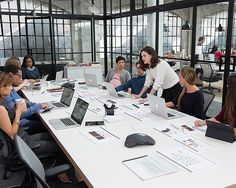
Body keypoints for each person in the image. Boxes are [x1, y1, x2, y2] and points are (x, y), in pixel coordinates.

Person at [0, 72, 71, 183]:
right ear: (1, 87)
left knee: (53, 138)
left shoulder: (2, 102)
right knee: (61, 147)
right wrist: (18, 113)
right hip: (23, 146)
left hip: (23, 139)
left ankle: (57, 168)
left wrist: (16, 110)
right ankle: (61, 175)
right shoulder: (1, 109)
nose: (12, 88)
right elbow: (12, 134)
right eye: (9, 85)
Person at [4, 64, 48, 134]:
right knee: (47, 124)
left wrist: (38, 105)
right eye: (19, 76)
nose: (21, 79)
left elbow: (23, 101)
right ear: (11, 75)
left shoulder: (10, 88)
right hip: (21, 125)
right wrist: (38, 106)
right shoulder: (5, 94)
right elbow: (19, 114)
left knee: (46, 115)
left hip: (22, 120)